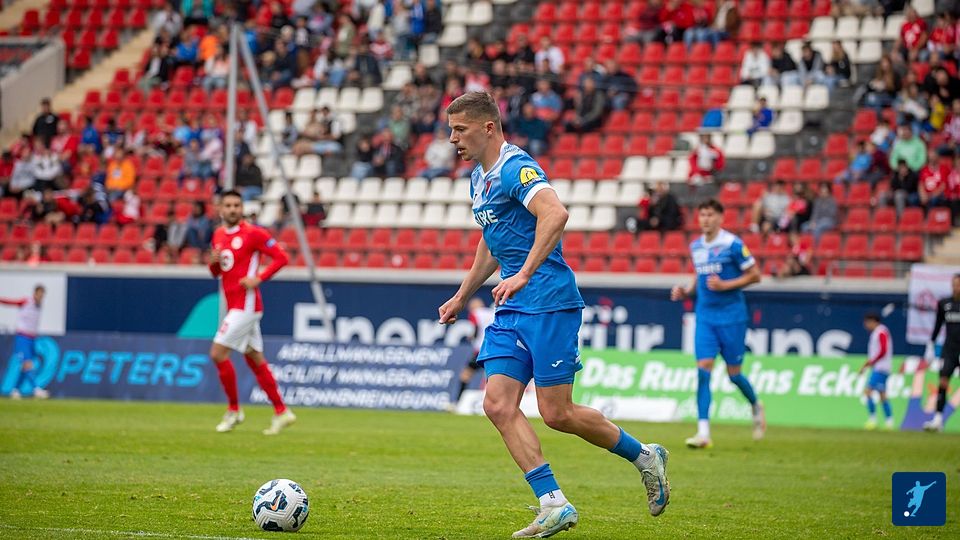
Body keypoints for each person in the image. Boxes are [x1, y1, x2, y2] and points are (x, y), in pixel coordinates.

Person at [437, 92, 670, 537]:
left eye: (460, 130)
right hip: (512, 306)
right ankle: (553, 503)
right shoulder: (479, 177)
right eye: (451, 130)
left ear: (488, 127)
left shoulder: (515, 167)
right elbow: (491, 238)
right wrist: (463, 295)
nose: (453, 139)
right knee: (497, 403)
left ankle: (645, 456)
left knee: (557, 413)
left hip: (548, 300)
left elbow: (555, 213)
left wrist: (524, 273)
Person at [670, 199, 765, 449]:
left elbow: (756, 275)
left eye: (710, 214)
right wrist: (686, 291)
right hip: (705, 316)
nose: (705, 219)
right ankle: (703, 433)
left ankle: (756, 404)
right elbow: (699, 276)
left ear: (721, 218)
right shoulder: (696, 246)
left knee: (734, 375)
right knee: (703, 369)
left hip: (732, 316)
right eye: (702, 214)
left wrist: (726, 285)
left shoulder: (733, 244)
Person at [207, 190, 294, 435]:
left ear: (242, 208)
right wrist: (213, 262)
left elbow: (281, 257)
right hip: (234, 304)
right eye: (228, 205)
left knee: (217, 353)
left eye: (237, 205)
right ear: (221, 209)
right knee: (255, 358)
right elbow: (217, 272)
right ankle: (282, 412)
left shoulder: (253, 233)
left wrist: (259, 278)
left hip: (246, 305)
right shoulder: (218, 234)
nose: (233, 209)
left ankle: (234, 410)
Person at [923, 273, 960, 432]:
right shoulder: (944, 303)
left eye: (958, 285)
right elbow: (938, 325)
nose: (956, 288)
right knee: (943, 381)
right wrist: (931, 344)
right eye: (954, 284)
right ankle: (938, 420)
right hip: (949, 350)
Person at [0, 285, 50, 399]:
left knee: (26, 366)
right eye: (39, 294)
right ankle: (36, 389)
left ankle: (15, 389)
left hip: (32, 338)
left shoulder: (39, 305)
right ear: (35, 293)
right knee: (27, 364)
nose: (41, 297)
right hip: (22, 337)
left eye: (42, 295)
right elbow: (11, 302)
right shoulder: (26, 301)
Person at [451, 297, 495, 408]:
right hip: (493, 349)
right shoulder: (492, 313)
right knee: (492, 378)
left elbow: (475, 329)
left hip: (480, 350)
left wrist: (472, 337)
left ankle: (457, 402)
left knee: (465, 375)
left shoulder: (475, 313)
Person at [858, 312, 894, 430]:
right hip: (881, 367)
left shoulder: (881, 332)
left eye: (867, 322)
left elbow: (883, 350)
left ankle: (873, 420)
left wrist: (872, 362)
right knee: (882, 395)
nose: (866, 325)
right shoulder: (878, 332)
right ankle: (889, 422)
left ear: (873, 321)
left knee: (868, 391)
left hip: (881, 367)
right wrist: (868, 364)